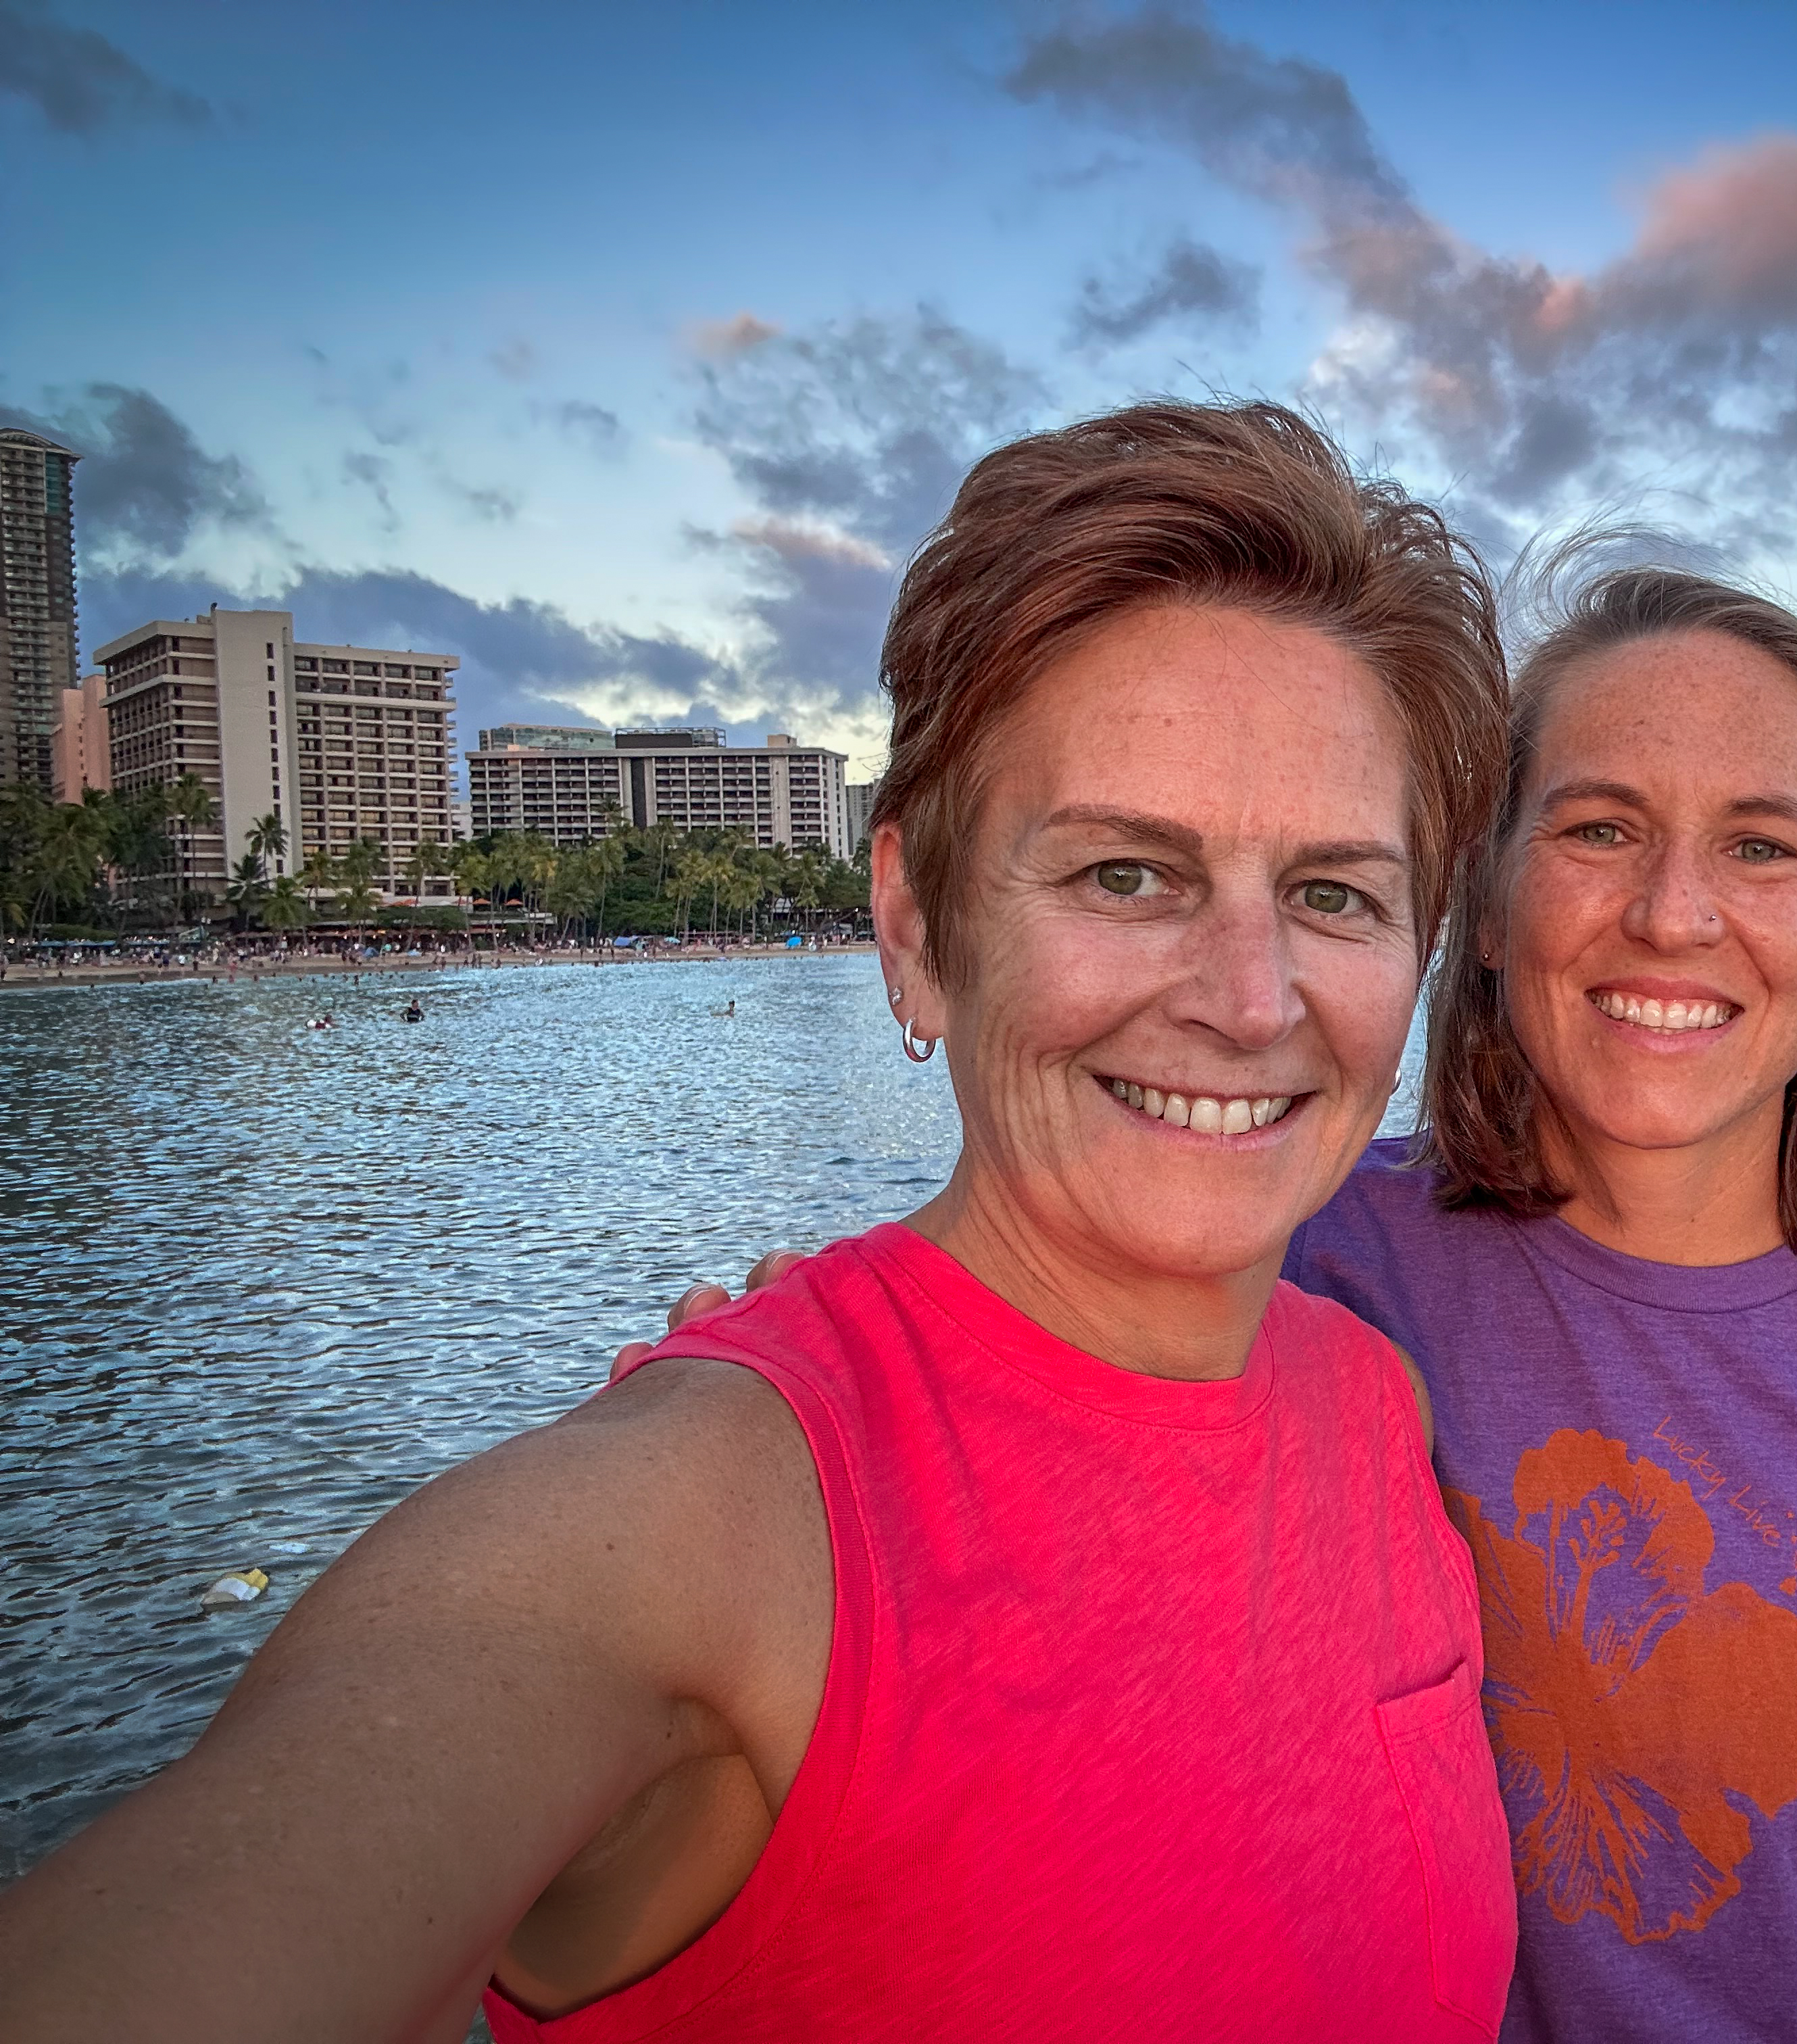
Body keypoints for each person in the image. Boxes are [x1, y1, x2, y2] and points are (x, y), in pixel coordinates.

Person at [0, 402, 1519, 2042]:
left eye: (1335, 894)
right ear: (919, 930)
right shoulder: (695, 1527)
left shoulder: (1374, 1408)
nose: (1249, 998)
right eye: (1124, 876)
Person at [664, 563, 1797, 2039]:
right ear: (1490, 905)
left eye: (1763, 848)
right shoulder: (1292, 1254)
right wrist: (791, 1394)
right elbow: (1000, 1383)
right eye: (1600, 828)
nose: (1672, 912)